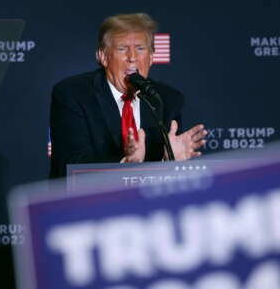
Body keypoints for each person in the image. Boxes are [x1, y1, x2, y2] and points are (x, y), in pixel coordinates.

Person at [50, 13, 206, 178]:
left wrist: (169, 162)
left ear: (151, 57)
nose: (132, 58)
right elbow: (70, 166)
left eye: (140, 48)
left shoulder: (167, 99)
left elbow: (170, 181)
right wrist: (125, 165)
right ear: (103, 57)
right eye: (122, 48)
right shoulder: (73, 94)